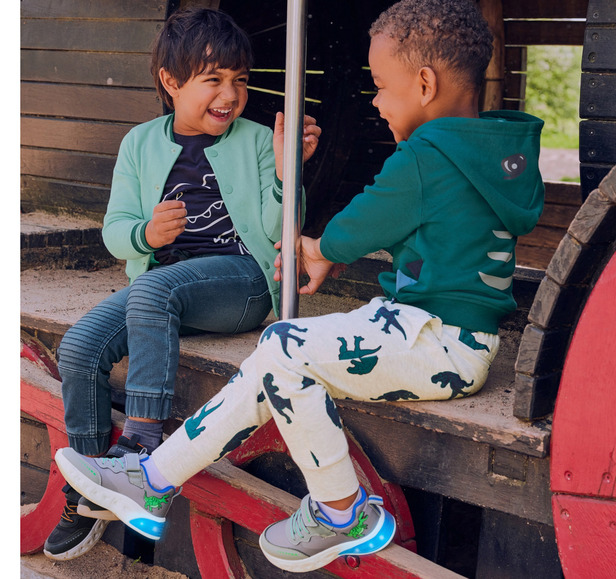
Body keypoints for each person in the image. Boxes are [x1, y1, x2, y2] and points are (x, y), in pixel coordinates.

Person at [54, 0, 545, 573]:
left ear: (425, 84)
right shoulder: (495, 152)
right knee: (278, 351)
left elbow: (363, 221)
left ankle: (340, 509)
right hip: (429, 329)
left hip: (437, 340)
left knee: (284, 348)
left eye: (381, 87)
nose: (376, 100)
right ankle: (150, 481)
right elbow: (434, 229)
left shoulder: (425, 156)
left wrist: (320, 248)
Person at [43, 7, 320, 561]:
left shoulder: (257, 140)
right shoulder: (139, 144)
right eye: (213, 79)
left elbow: (277, 233)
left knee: (155, 291)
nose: (231, 93)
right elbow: (116, 232)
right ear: (171, 83)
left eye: (239, 80)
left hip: (240, 282)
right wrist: (146, 233)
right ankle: (91, 490)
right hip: (163, 286)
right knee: (78, 347)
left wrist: (289, 177)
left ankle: (141, 444)